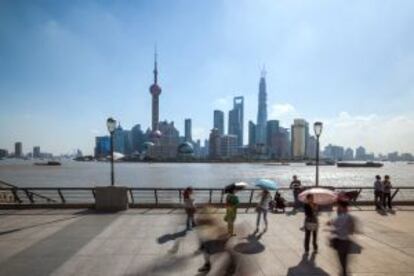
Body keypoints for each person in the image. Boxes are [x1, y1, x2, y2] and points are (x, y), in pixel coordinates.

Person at [328, 200, 356, 276]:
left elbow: (333, 227)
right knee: (345, 258)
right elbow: (352, 230)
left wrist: (330, 225)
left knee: (341, 259)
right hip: (347, 241)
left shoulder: (339, 218)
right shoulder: (349, 217)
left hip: (340, 241)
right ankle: (344, 271)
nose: (337, 208)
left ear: (342, 208)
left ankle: (343, 272)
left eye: (339, 207)